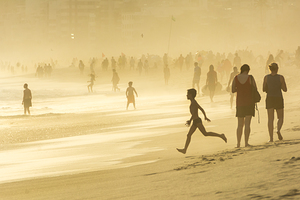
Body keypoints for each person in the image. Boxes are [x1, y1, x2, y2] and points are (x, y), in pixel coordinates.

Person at [176, 88, 227, 154]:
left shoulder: (194, 102)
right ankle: (185, 149)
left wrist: (191, 120)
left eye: (188, 94)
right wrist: (205, 117)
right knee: (189, 135)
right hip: (195, 121)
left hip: (197, 121)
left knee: (205, 133)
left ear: (191, 95)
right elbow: (200, 110)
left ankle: (221, 135)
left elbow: (195, 112)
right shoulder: (193, 102)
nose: (187, 95)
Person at [231, 64, 257, 148]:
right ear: (248, 70)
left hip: (239, 103)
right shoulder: (250, 78)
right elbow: (255, 89)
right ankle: (246, 143)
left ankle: (238, 144)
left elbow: (233, 90)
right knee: (247, 124)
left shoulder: (236, 78)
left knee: (239, 125)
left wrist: (239, 89)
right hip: (249, 102)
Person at [263, 63, 287, 142]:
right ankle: (278, 130)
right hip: (278, 98)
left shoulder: (266, 77)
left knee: (270, 119)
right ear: (277, 69)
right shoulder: (281, 77)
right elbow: (285, 89)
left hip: (269, 98)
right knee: (280, 117)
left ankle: (271, 138)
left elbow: (263, 89)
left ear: (270, 69)